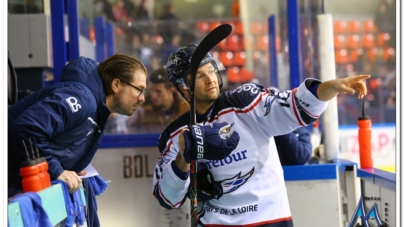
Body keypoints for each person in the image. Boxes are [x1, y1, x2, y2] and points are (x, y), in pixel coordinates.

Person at [151, 44, 370, 226]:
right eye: (199, 75)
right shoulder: (174, 135)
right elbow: (168, 199)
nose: (210, 79)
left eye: (211, 70)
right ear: (183, 86)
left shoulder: (245, 101)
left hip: (270, 219)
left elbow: (293, 106)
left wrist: (329, 88)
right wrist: (182, 159)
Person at [8, 54, 147, 197]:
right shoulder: (83, 100)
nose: (142, 98)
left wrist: (69, 166)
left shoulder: (97, 110)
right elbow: (29, 127)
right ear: (116, 85)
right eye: (139, 89)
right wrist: (57, 170)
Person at [127, 68, 189, 133]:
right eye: (151, 90)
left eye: (158, 91)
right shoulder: (141, 113)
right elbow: (131, 137)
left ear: (171, 91)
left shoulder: (186, 111)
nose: (153, 95)